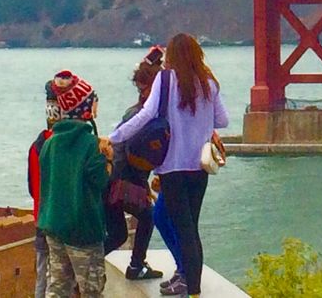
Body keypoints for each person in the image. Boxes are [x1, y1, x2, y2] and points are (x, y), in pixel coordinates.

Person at [109, 33, 228, 298]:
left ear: (171, 56)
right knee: (192, 228)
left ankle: (190, 287)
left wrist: (116, 137)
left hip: (172, 167)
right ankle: (193, 287)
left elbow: (146, 116)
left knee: (181, 227)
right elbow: (223, 120)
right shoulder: (208, 82)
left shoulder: (165, 81)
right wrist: (200, 124)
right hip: (199, 168)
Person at [38, 70, 112, 298]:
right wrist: (108, 156)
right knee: (91, 289)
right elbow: (101, 181)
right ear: (86, 108)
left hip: (53, 226)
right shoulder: (91, 145)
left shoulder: (50, 144)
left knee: (57, 287)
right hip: (84, 230)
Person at [104, 47, 164, 281]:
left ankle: (87, 264)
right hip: (123, 180)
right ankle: (137, 265)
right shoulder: (148, 118)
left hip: (111, 180)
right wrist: (143, 185)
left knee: (118, 235)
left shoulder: (133, 112)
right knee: (148, 217)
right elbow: (133, 155)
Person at [26, 80, 61, 298]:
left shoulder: (36, 146)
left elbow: (32, 187)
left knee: (43, 274)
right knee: (61, 277)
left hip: (41, 217)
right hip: (60, 220)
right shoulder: (62, 146)